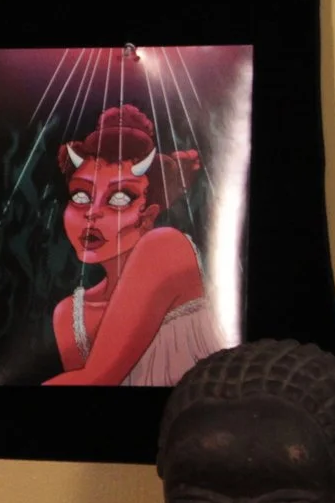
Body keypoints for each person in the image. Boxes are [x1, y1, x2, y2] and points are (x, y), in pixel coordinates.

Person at [43, 103, 228, 387]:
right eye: (81, 196)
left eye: (119, 198)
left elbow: (95, 378)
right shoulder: (69, 314)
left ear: (149, 216)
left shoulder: (165, 246)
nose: (92, 212)